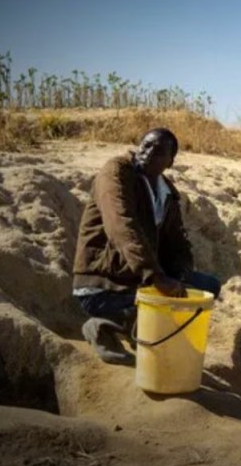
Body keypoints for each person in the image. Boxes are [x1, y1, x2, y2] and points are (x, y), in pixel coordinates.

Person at [72, 128, 222, 364]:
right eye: (145, 145)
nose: (148, 152)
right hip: (103, 285)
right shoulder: (116, 172)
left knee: (208, 288)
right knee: (163, 306)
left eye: (158, 150)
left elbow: (177, 243)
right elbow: (121, 225)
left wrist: (180, 273)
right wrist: (155, 275)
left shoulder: (167, 193)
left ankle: (140, 327)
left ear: (170, 162)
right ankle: (103, 326)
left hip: (137, 281)